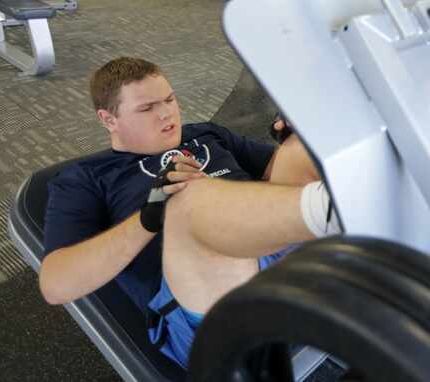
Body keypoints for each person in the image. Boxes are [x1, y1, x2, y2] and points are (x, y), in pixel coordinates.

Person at [39, 57, 338, 369]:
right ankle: (337, 214)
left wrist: (289, 139)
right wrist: (147, 218)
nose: (167, 112)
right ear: (108, 119)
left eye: (169, 99)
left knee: (300, 146)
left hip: (275, 253)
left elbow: (275, 174)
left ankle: (340, 215)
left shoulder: (205, 134)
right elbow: (55, 285)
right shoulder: (85, 178)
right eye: (147, 108)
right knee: (191, 197)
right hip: (211, 305)